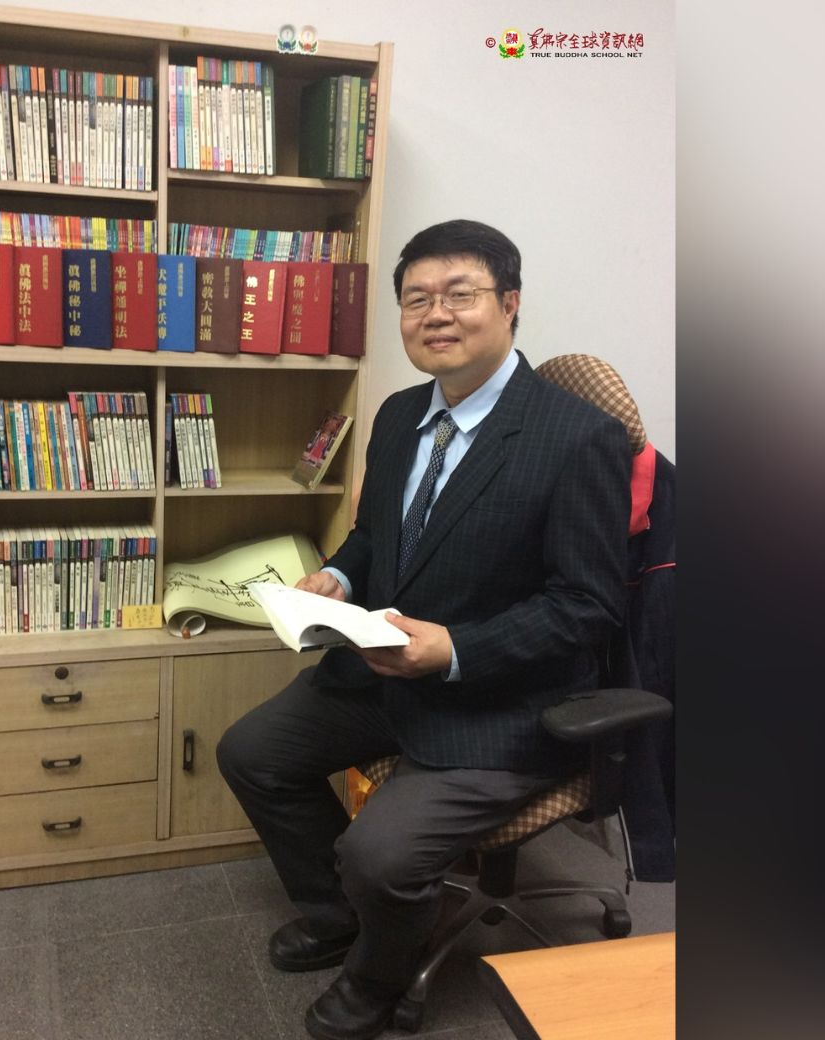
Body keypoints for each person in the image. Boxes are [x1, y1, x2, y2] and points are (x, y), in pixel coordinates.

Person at [217, 219, 631, 1040]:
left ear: (510, 305)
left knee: (380, 855)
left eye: (460, 295)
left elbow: (587, 606)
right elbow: (377, 535)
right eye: (416, 300)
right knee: (251, 754)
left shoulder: (580, 438)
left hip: (500, 696)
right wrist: (338, 576)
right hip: (384, 669)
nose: (436, 314)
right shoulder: (403, 412)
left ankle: (379, 977)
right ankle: (339, 916)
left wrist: (457, 650)